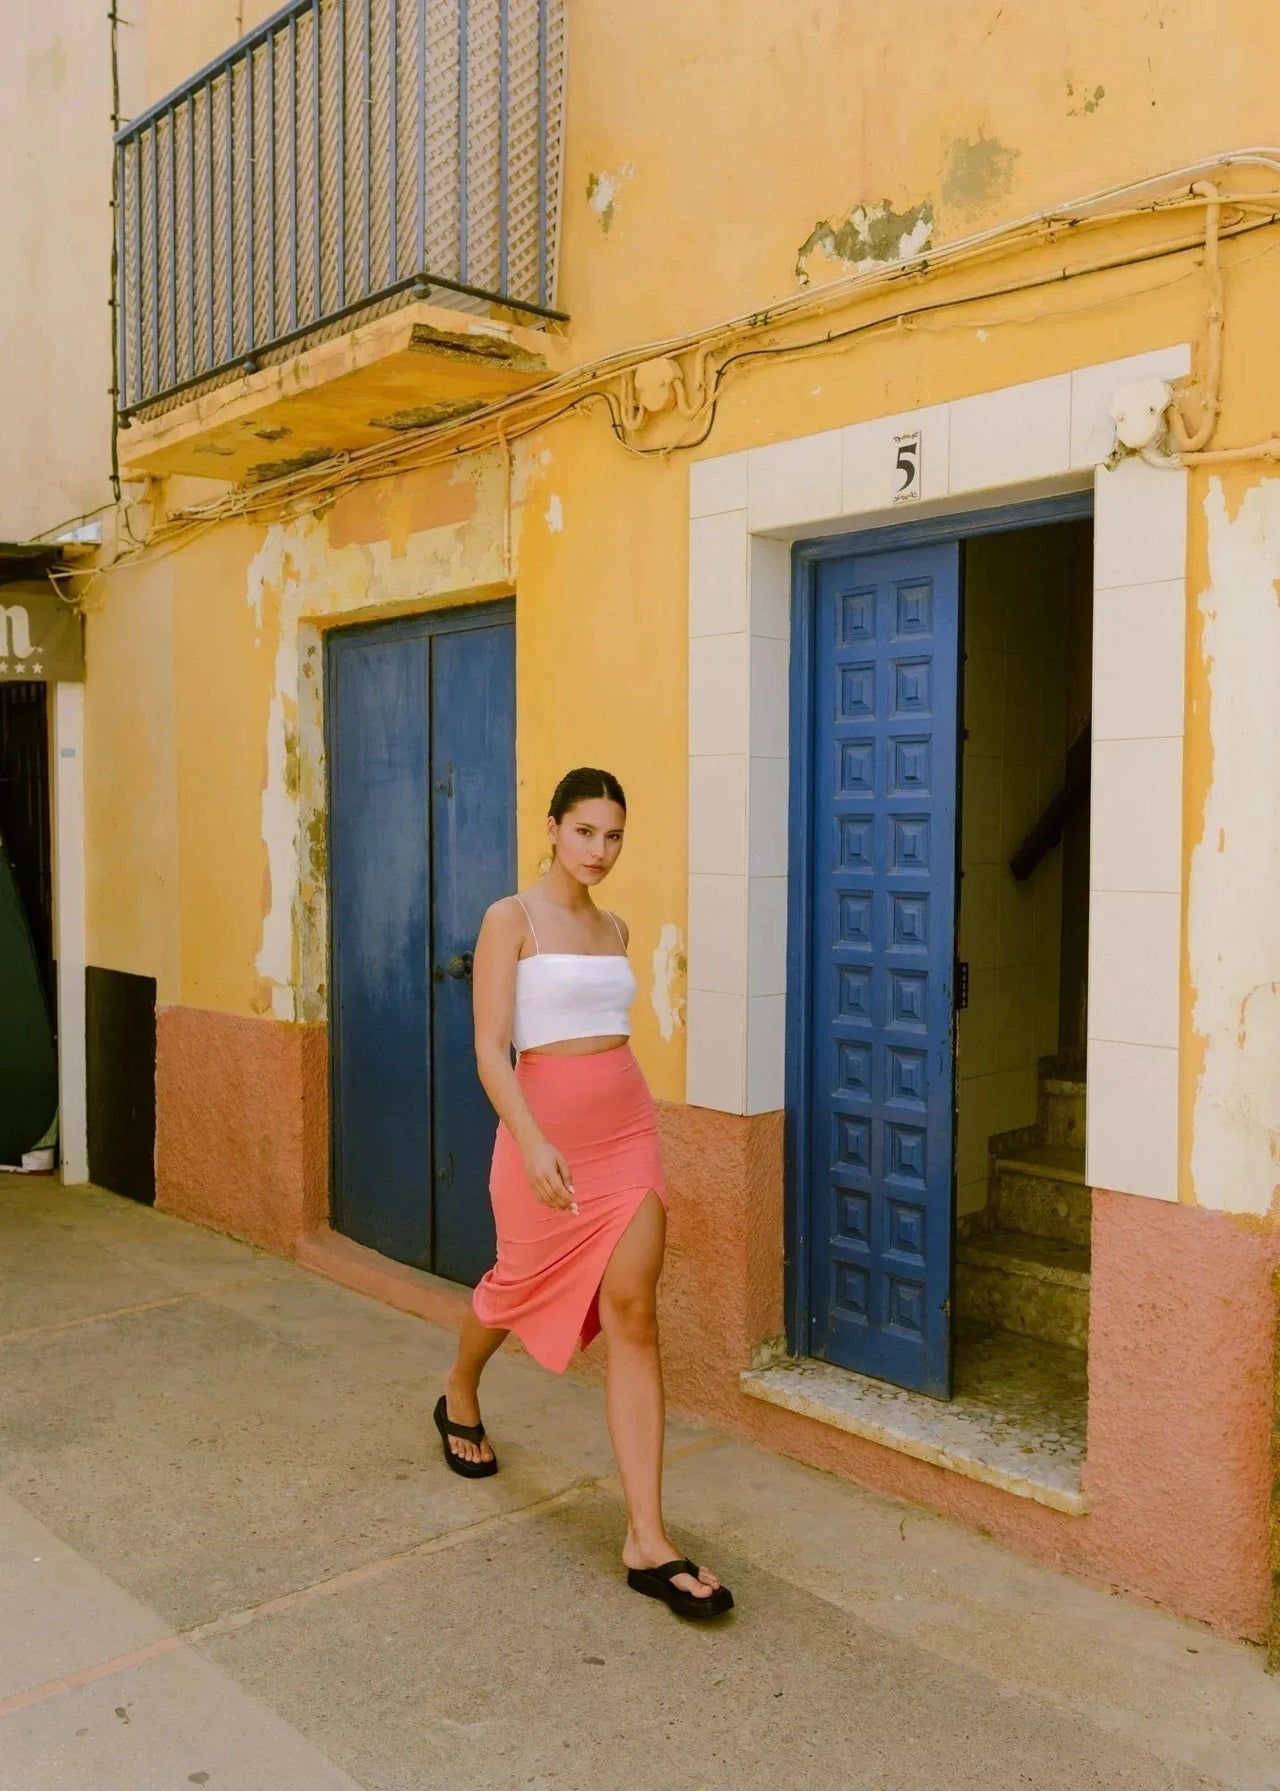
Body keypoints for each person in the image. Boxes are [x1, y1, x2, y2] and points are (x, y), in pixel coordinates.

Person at [434, 767, 733, 1620]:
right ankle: (459, 1387)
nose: (600, 850)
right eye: (586, 831)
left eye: (614, 836)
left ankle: (648, 1537)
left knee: (635, 1314)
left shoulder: (616, 925)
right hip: (543, 1133)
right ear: (554, 828)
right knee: (513, 1285)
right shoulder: (511, 919)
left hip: (626, 1133)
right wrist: (530, 1139)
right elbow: (492, 1047)